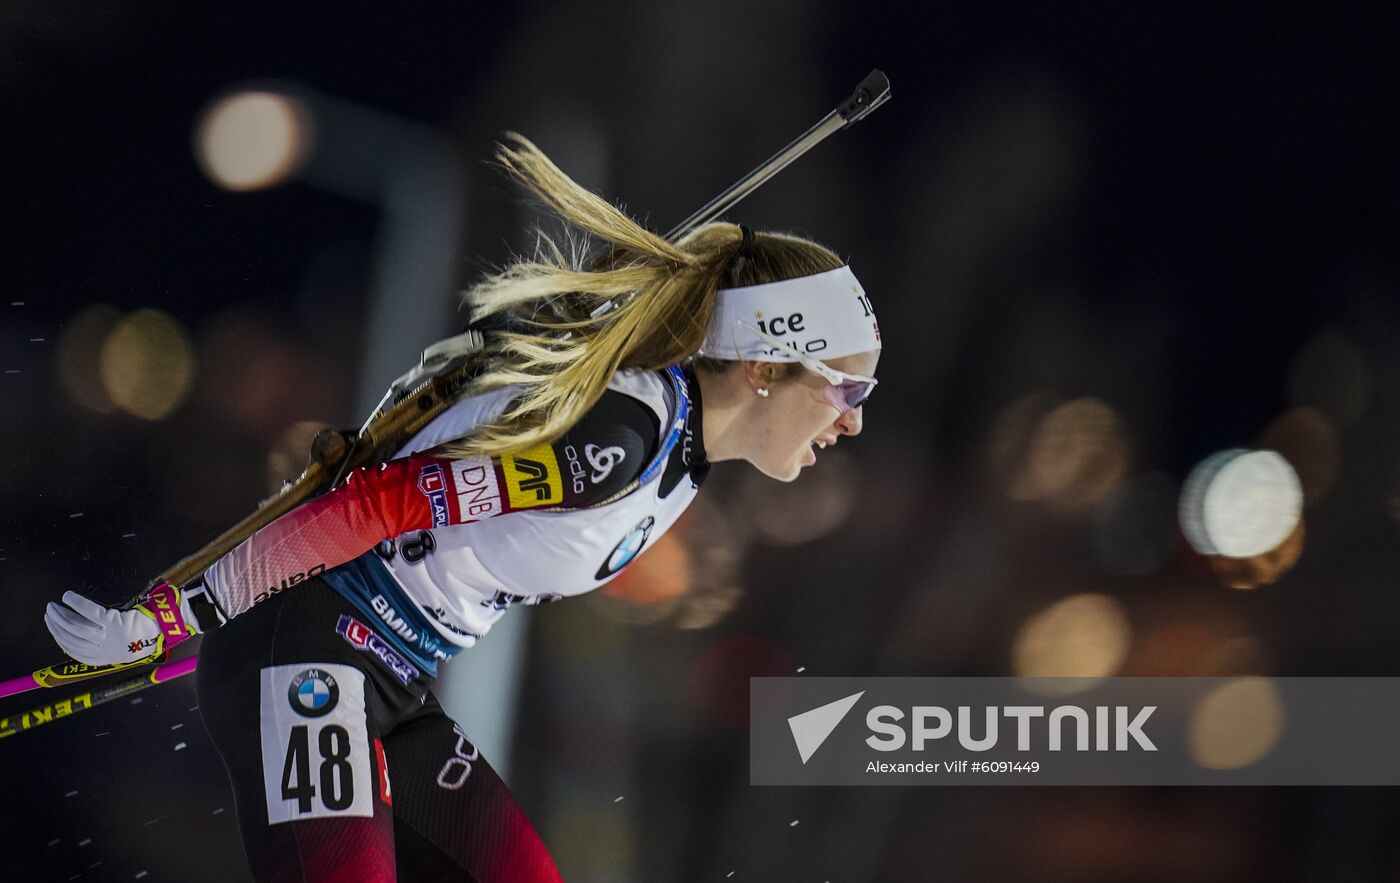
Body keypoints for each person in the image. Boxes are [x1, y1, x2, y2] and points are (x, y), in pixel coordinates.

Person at [43, 134, 882, 882]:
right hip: (307, 643)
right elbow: (373, 507)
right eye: (846, 387)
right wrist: (172, 612)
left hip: (392, 674)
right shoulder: (617, 439)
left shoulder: (676, 457)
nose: (851, 419)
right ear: (768, 365)